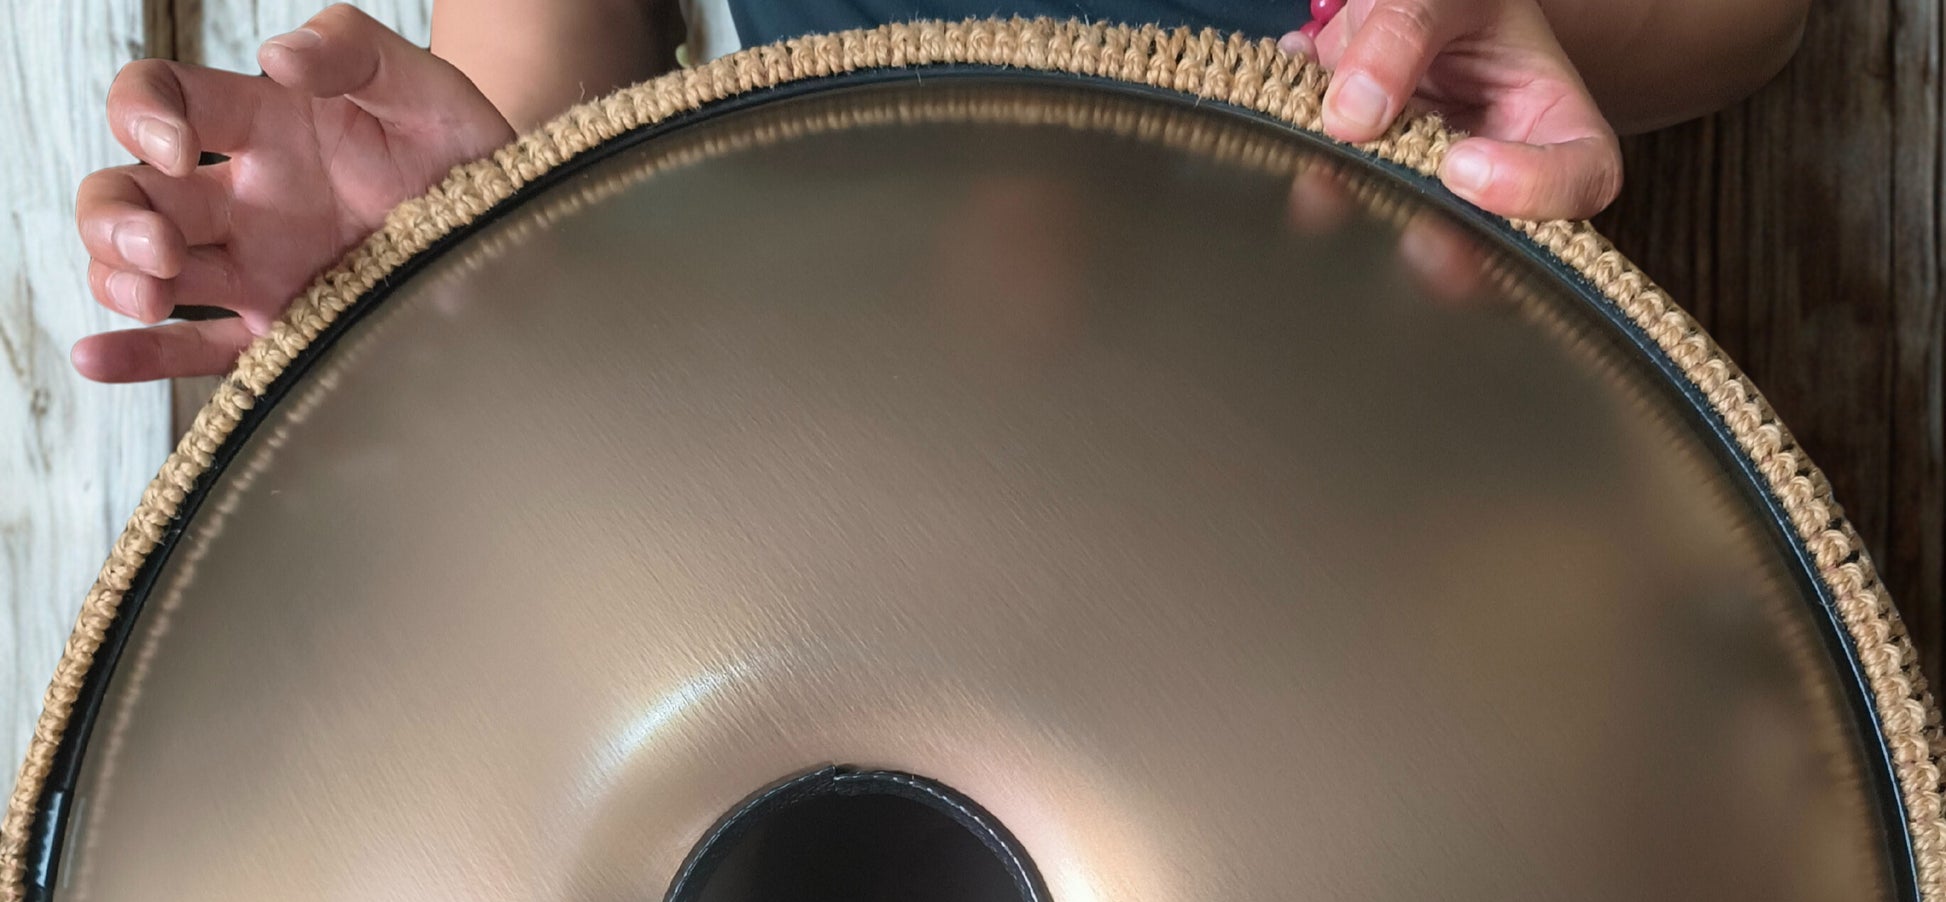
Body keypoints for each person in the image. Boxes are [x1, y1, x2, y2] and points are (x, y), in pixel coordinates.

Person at [72, 0, 1809, 384]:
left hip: (1377, 429)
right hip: (820, 478)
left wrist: (1505, 23)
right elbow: (542, 85)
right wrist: (484, 208)